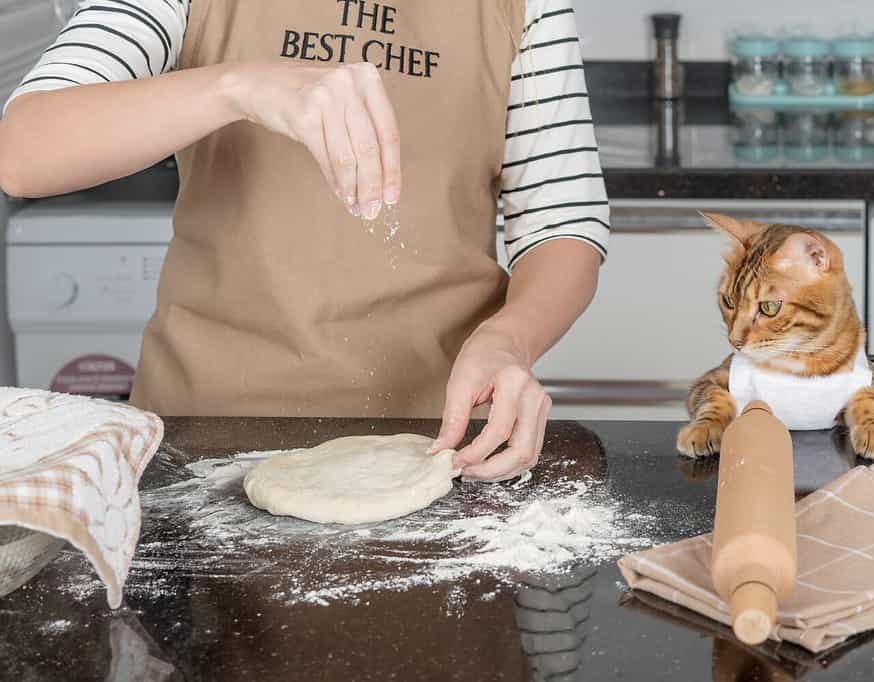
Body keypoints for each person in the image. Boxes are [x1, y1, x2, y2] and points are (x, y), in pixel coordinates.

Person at [0, 0, 609, 482]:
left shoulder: (524, 4)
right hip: (201, 437)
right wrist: (235, 86)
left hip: (444, 438)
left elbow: (564, 223)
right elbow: (24, 150)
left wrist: (509, 341)